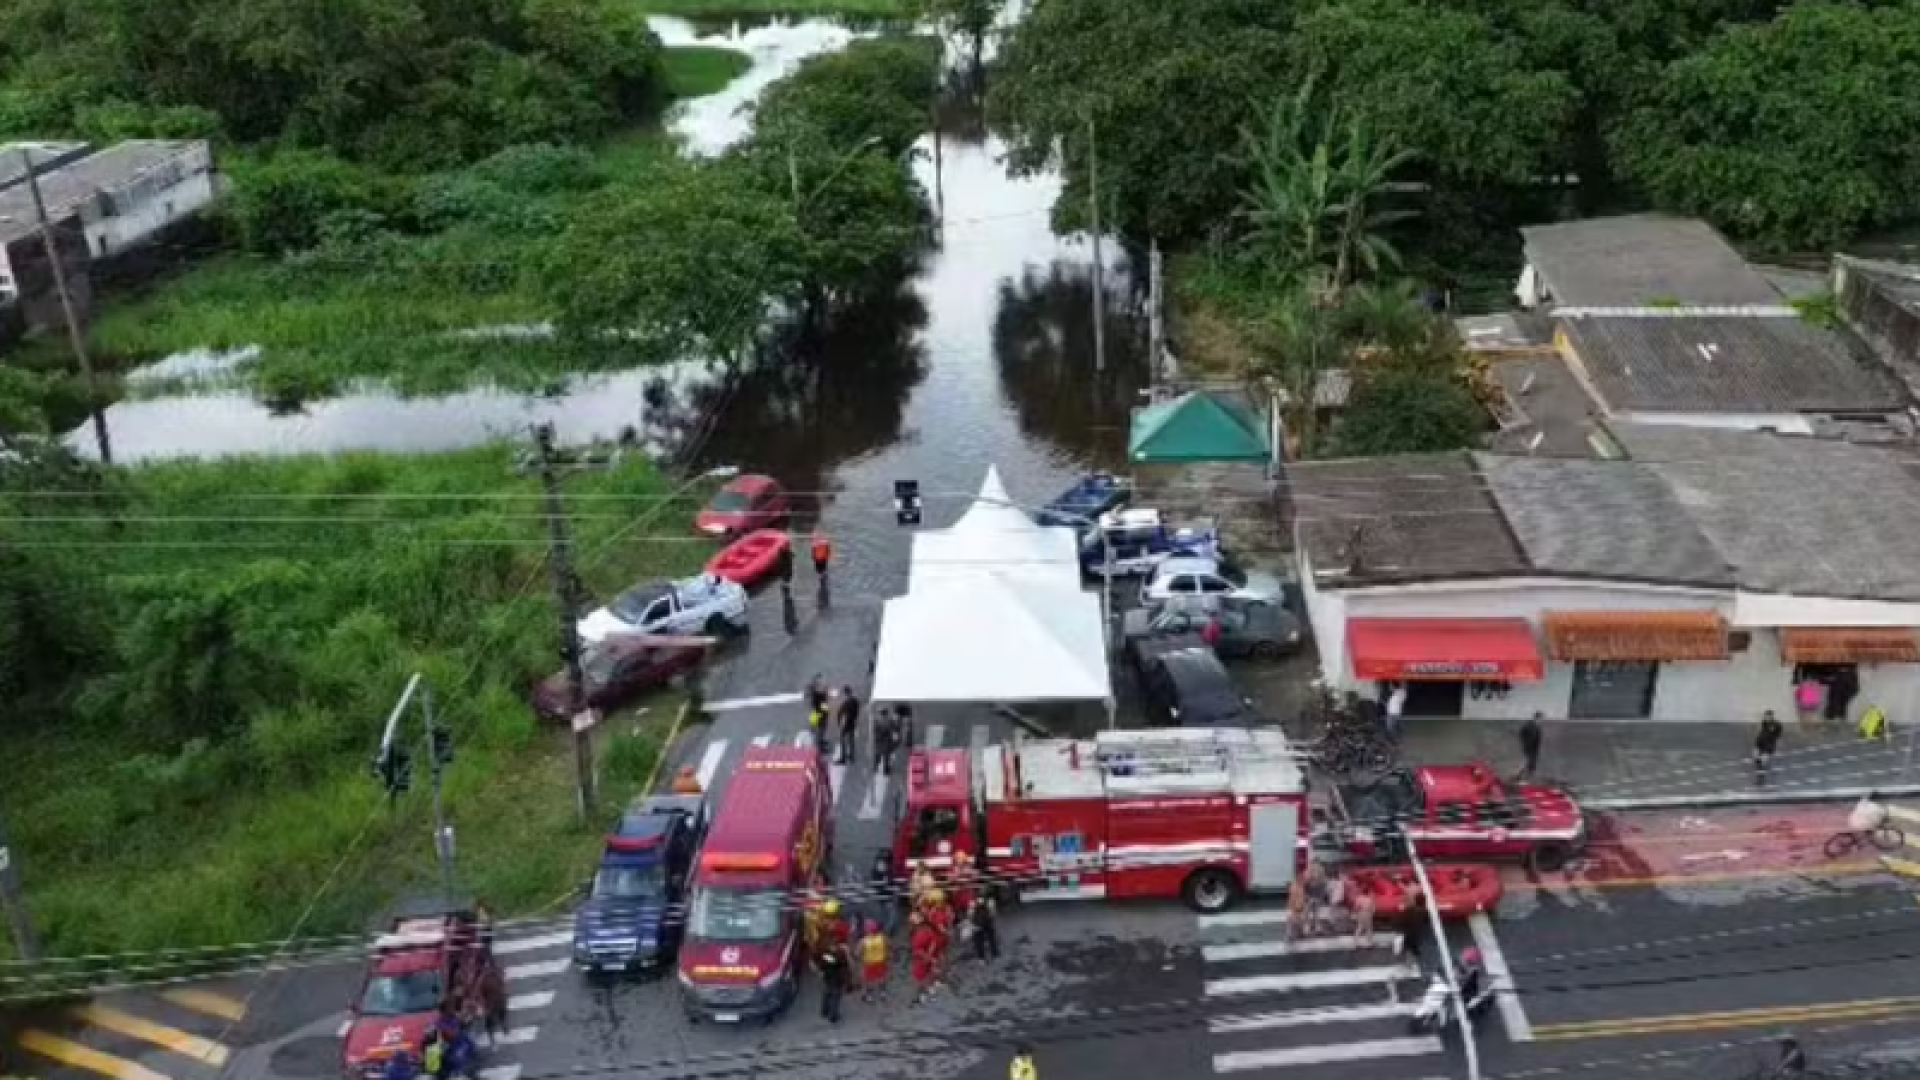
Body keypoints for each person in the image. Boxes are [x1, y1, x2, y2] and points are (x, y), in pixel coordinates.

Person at [816, 934, 852, 1024]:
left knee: (827, 993)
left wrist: (820, 971)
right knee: (836, 996)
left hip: (827, 976)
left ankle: (824, 1011)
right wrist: (848, 979)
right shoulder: (839, 953)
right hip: (837, 977)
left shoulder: (825, 952)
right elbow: (843, 965)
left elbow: (821, 963)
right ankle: (833, 1015)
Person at [910, 913, 940, 1003]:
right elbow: (934, 942)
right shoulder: (928, 929)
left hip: (921, 960)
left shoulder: (917, 935)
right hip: (930, 957)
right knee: (930, 974)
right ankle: (931, 992)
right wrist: (931, 955)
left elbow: (918, 950)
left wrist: (928, 957)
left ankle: (922, 995)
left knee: (920, 979)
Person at [859, 919, 889, 1001]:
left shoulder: (863, 941)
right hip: (881, 962)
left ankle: (869, 995)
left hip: (869, 963)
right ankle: (883, 993)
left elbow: (858, 952)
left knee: (869, 980)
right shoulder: (883, 938)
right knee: (881, 978)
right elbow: (888, 947)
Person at [1754, 710, 1784, 785]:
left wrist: (1776, 742)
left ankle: (1761, 779)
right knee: (1757, 758)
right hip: (1760, 742)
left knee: (1763, 761)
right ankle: (1762, 770)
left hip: (1769, 745)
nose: (1766, 718)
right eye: (1765, 716)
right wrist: (1757, 743)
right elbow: (1762, 732)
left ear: (1771, 716)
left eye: (1768, 716)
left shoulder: (1777, 724)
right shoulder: (1764, 722)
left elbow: (1778, 735)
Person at [969, 890, 1000, 961]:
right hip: (987, 922)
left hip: (978, 924)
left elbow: (970, 915)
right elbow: (993, 913)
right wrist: (992, 920)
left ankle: (982, 957)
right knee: (991, 938)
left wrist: (972, 925)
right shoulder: (989, 901)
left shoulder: (972, 902)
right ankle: (994, 953)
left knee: (979, 941)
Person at [836, 686, 862, 766]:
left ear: (845, 693)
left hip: (846, 724)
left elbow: (844, 714)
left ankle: (843, 758)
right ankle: (851, 756)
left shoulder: (847, 702)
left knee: (842, 740)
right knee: (851, 740)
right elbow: (857, 712)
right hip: (852, 723)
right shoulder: (855, 701)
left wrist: (841, 724)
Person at [873, 705, 900, 775]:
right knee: (886, 756)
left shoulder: (876, 721)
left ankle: (875, 768)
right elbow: (895, 729)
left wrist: (876, 738)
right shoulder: (890, 721)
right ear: (886, 713)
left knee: (878, 755)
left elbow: (874, 731)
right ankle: (886, 770)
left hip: (879, 741)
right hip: (886, 741)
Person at [1350, 878, 1376, 948]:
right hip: (1368, 914)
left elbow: (1356, 907)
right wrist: (1372, 914)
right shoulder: (1370, 899)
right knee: (1369, 929)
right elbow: (1373, 908)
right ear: (1368, 892)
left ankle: (1355, 943)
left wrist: (1354, 913)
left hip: (1361, 913)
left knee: (1359, 928)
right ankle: (1369, 943)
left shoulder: (1359, 898)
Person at [1519, 712, 1543, 780]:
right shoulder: (1529, 724)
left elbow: (1538, 738)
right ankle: (1522, 775)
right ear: (1537, 718)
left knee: (1531, 762)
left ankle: (1527, 775)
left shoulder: (1537, 727)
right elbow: (1521, 733)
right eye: (1540, 719)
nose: (1541, 721)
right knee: (1529, 762)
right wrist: (1525, 742)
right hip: (1528, 747)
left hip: (1534, 748)